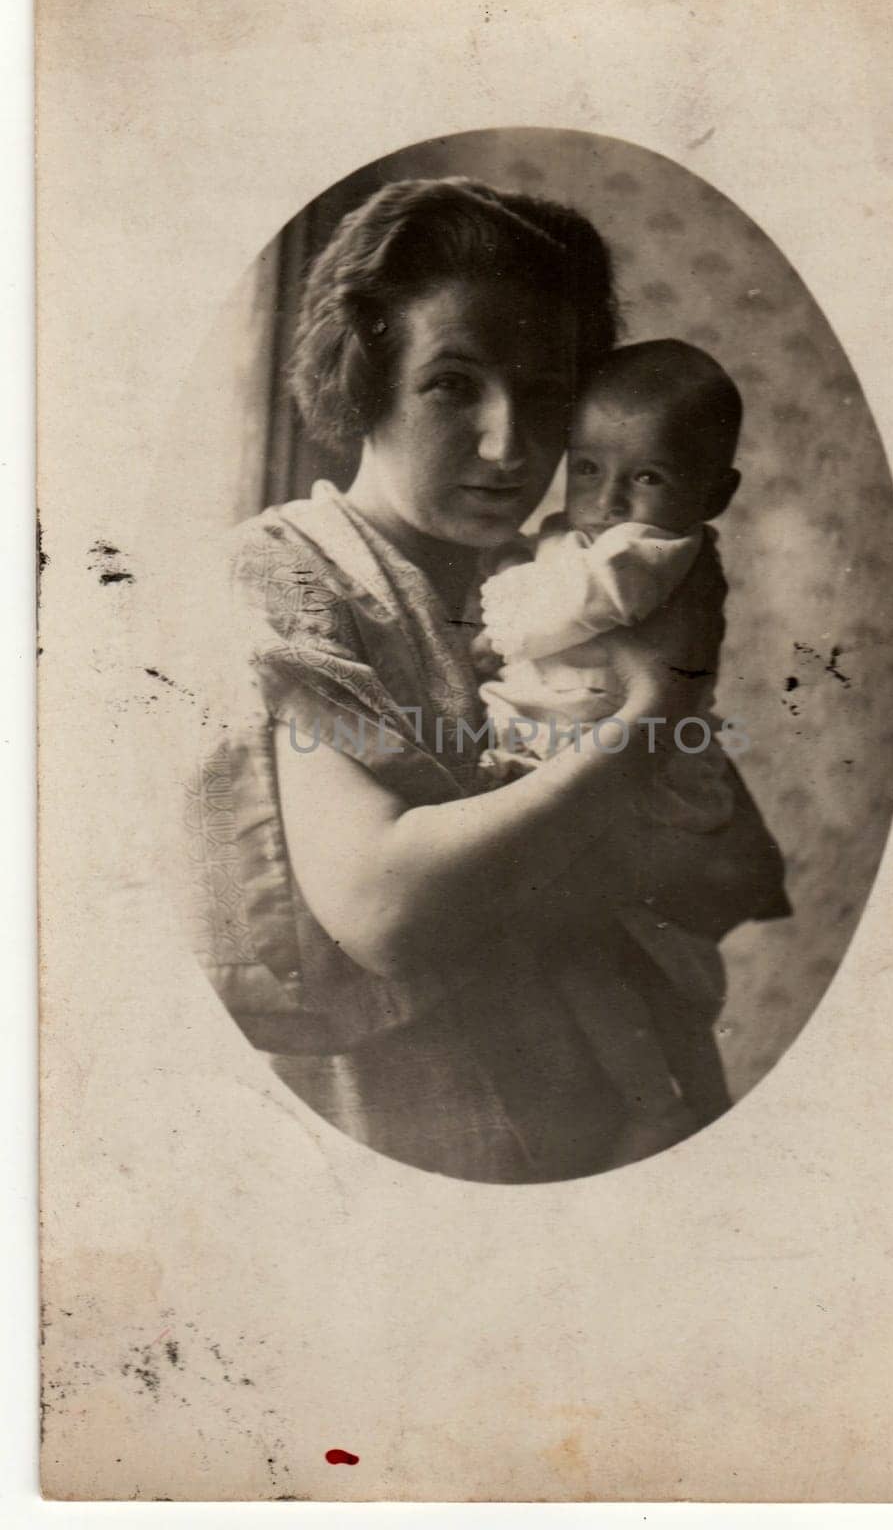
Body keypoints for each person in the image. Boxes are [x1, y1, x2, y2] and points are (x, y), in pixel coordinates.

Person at [182, 176, 788, 1184]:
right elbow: (392, 913)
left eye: (546, 393)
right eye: (453, 383)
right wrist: (651, 715)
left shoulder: (548, 579)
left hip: (592, 1142)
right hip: (398, 1152)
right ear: (366, 377)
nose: (511, 446)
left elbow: (727, 874)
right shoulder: (285, 575)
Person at [471, 339, 787, 1155]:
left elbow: (566, 606)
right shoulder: (584, 537)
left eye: (646, 477)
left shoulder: (649, 555)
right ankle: (689, 1099)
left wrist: (488, 620)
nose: (608, 500)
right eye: (587, 468)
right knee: (610, 958)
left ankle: (657, 1106)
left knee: (572, 950)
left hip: (641, 783)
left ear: (714, 493)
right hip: (597, 754)